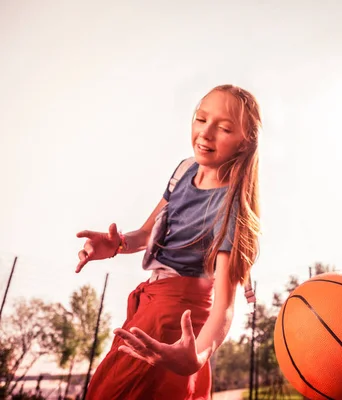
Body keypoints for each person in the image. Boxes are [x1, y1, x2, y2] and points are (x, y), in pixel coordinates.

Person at [75, 84, 261, 399]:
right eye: (201, 119)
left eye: (225, 128)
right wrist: (118, 244)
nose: (206, 132)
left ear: (245, 143)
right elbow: (148, 234)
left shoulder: (232, 209)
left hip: (177, 310)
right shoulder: (186, 169)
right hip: (152, 298)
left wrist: (198, 356)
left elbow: (224, 307)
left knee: (111, 392)